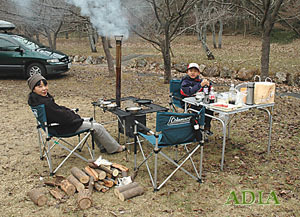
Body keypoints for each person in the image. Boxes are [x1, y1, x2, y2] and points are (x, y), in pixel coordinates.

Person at [27, 73, 125, 154]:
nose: (44, 88)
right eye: (40, 87)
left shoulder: (37, 100)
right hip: (61, 127)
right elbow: (62, 117)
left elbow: (58, 110)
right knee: (97, 127)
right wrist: (75, 116)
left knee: (93, 121)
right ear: (33, 88)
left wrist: (70, 112)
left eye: (45, 85)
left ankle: (103, 146)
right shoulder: (45, 103)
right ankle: (115, 148)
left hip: (52, 126)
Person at [180, 63, 214, 136]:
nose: (193, 73)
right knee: (199, 110)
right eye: (191, 71)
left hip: (199, 101)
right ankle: (197, 128)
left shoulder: (199, 80)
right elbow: (189, 92)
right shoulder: (185, 82)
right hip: (188, 103)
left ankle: (206, 127)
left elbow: (206, 92)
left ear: (198, 73)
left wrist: (208, 85)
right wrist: (200, 85)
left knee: (209, 109)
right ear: (187, 72)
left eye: (195, 71)